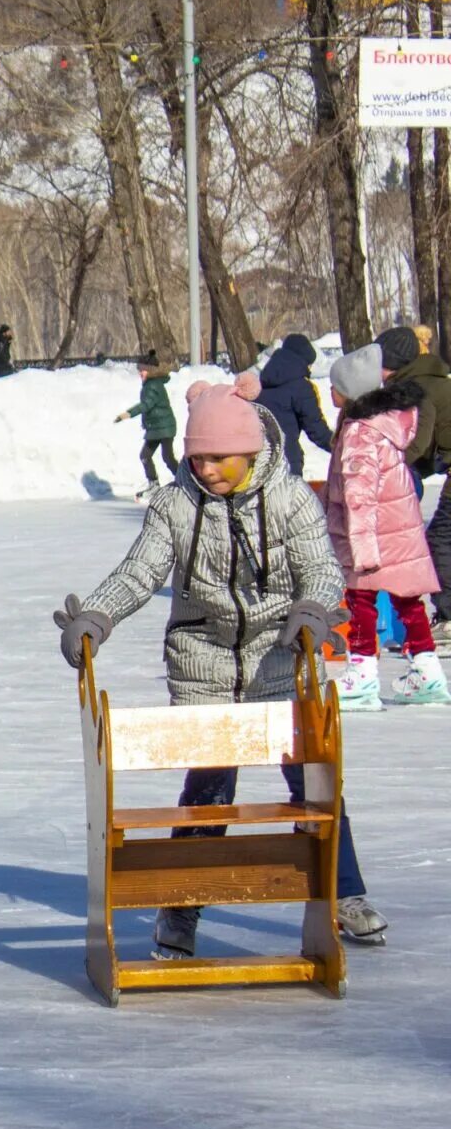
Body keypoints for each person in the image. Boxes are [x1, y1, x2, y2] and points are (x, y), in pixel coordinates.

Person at [53, 374, 384, 956]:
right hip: (201, 659)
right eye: (197, 456)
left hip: (280, 655)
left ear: (250, 451)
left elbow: (321, 569)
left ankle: (345, 892)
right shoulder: (176, 505)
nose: (205, 468)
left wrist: (309, 612)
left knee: (315, 784)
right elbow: (140, 572)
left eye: (218, 457)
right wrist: (98, 617)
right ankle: (181, 910)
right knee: (209, 789)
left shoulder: (288, 499)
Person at [324, 344, 448, 709]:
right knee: (408, 601)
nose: (329, 392)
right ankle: (428, 672)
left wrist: (362, 551)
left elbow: (359, 496)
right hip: (398, 529)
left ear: (349, 392)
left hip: (373, 534)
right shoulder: (382, 426)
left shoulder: (360, 433)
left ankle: (361, 674)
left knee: (361, 600)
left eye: (335, 386)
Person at [378, 325, 451, 640]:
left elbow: (418, 443)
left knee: (439, 540)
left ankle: (448, 616)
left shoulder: (415, 389)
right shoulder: (433, 379)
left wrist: (385, 464)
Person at [252, 332, 332, 475]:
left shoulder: (260, 383)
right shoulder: (301, 387)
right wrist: (340, 446)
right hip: (287, 461)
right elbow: (316, 430)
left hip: (258, 461)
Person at [114, 350, 178, 498]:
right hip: (157, 428)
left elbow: (146, 405)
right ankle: (154, 484)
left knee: (166, 457)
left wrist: (128, 414)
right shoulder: (151, 384)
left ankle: (184, 481)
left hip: (164, 427)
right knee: (147, 455)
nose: (140, 373)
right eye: (140, 370)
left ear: (150, 371)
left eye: (143, 370)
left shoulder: (153, 386)